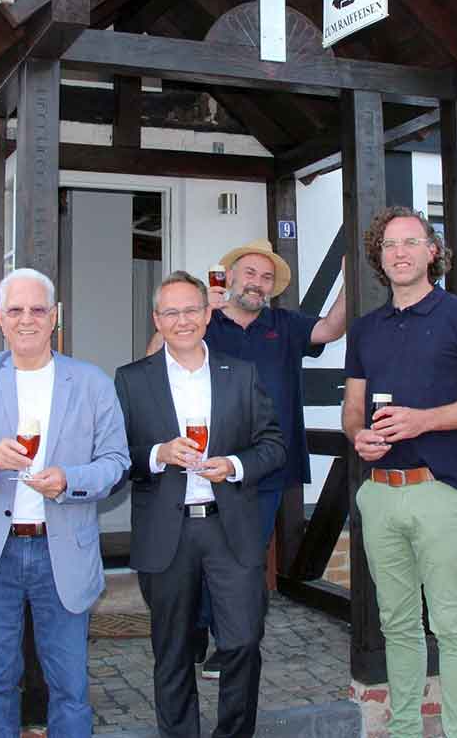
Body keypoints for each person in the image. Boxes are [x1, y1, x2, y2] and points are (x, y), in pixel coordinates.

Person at [0, 268, 129, 738]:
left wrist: (69, 480)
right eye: (16, 310)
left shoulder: (91, 382)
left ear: (54, 318)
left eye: (37, 310)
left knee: (69, 686)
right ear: (1, 319)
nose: (27, 319)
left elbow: (116, 463)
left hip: (62, 549)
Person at [342, 207, 457, 738]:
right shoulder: (366, 329)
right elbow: (353, 407)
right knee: (397, 626)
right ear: (380, 257)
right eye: (390, 245)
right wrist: (358, 436)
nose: (400, 253)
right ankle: (406, 730)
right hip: (381, 495)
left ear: (432, 251)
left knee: (453, 626)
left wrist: (423, 422)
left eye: (411, 242)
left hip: (439, 491)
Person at [148, 239, 347, 676]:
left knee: (244, 559)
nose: (258, 283)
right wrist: (202, 310)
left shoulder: (285, 324)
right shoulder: (204, 322)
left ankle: (230, 643)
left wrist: (353, 274)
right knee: (197, 556)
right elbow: (150, 367)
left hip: (264, 467)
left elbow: (332, 328)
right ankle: (197, 628)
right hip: (205, 465)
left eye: (267, 278)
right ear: (229, 276)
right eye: (250, 273)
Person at [116, 271, 285, 738]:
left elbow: (273, 445)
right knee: (171, 650)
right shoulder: (131, 380)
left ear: (208, 315)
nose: (183, 320)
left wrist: (232, 464)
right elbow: (113, 459)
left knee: (243, 642)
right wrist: (157, 455)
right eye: (171, 312)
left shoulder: (241, 373)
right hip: (166, 533)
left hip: (228, 525)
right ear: (157, 319)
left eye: (191, 309)